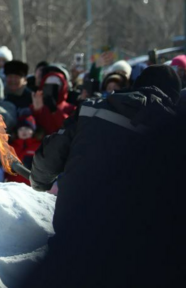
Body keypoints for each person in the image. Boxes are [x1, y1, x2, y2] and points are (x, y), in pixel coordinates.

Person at [27, 65, 182, 286]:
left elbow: (50, 154)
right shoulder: (170, 131)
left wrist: (40, 181)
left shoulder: (93, 107)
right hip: (130, 249)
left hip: (72, 230)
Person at [30, 65, 75, 135]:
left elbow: (71, 127)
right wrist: (36, 111)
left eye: (56, 86)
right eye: (48, 85)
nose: (51, 89)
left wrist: (55, 111)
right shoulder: (37, 106)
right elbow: (28, 128)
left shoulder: (71, 108)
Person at [7, 115, 40, 185]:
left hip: (32, 185)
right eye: (20, 129)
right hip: (14, 185)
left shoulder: (38, 146)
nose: (23, 131)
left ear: (33, 131)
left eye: (27, 128)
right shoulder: (12, 147)